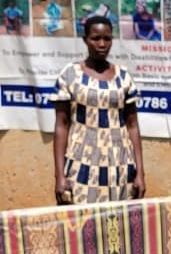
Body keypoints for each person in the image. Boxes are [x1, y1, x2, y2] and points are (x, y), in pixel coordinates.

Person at [53, 15, 146, 204]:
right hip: (82, 165)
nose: (102, 44)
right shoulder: (70, 75)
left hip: (119, 167)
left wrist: (140, 173)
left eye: (107, 38)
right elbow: (61, 126)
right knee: (81, 227)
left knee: (117, 227)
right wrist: (59, 176)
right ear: (85, 40)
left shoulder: (123, 76)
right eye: (95, 38)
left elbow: (132, 126)